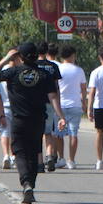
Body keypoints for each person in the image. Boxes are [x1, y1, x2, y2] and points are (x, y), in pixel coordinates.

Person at [0, 43, 68, 203]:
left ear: (20, 56)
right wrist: (61, 116)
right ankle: (30, 184)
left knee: (19, 152)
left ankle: (26, 183)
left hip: (19, 119)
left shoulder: (13, 72)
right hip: (38, 119)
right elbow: (53, 97)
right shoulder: (44, 74)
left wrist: (7, 58)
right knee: (34, 152)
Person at [55, 44, 87, 169]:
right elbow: (83, 88)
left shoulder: (58, 69)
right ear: (73, 55)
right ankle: (71, 160)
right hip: (75, 104)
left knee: (59, 133)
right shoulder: (79, 70)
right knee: (74, 133)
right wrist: (84, 102)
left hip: (60, 105)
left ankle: (61, 158)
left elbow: (55, 87)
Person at [36, 42, 62, 172]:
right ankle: (50, 155)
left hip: (35, 102)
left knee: (36, 133)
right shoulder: (53, 66)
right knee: (48, 132)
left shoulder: (33, 65)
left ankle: (38, 160)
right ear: (47, 52)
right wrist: (58, 103)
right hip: (50, 102)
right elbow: (56, 87)